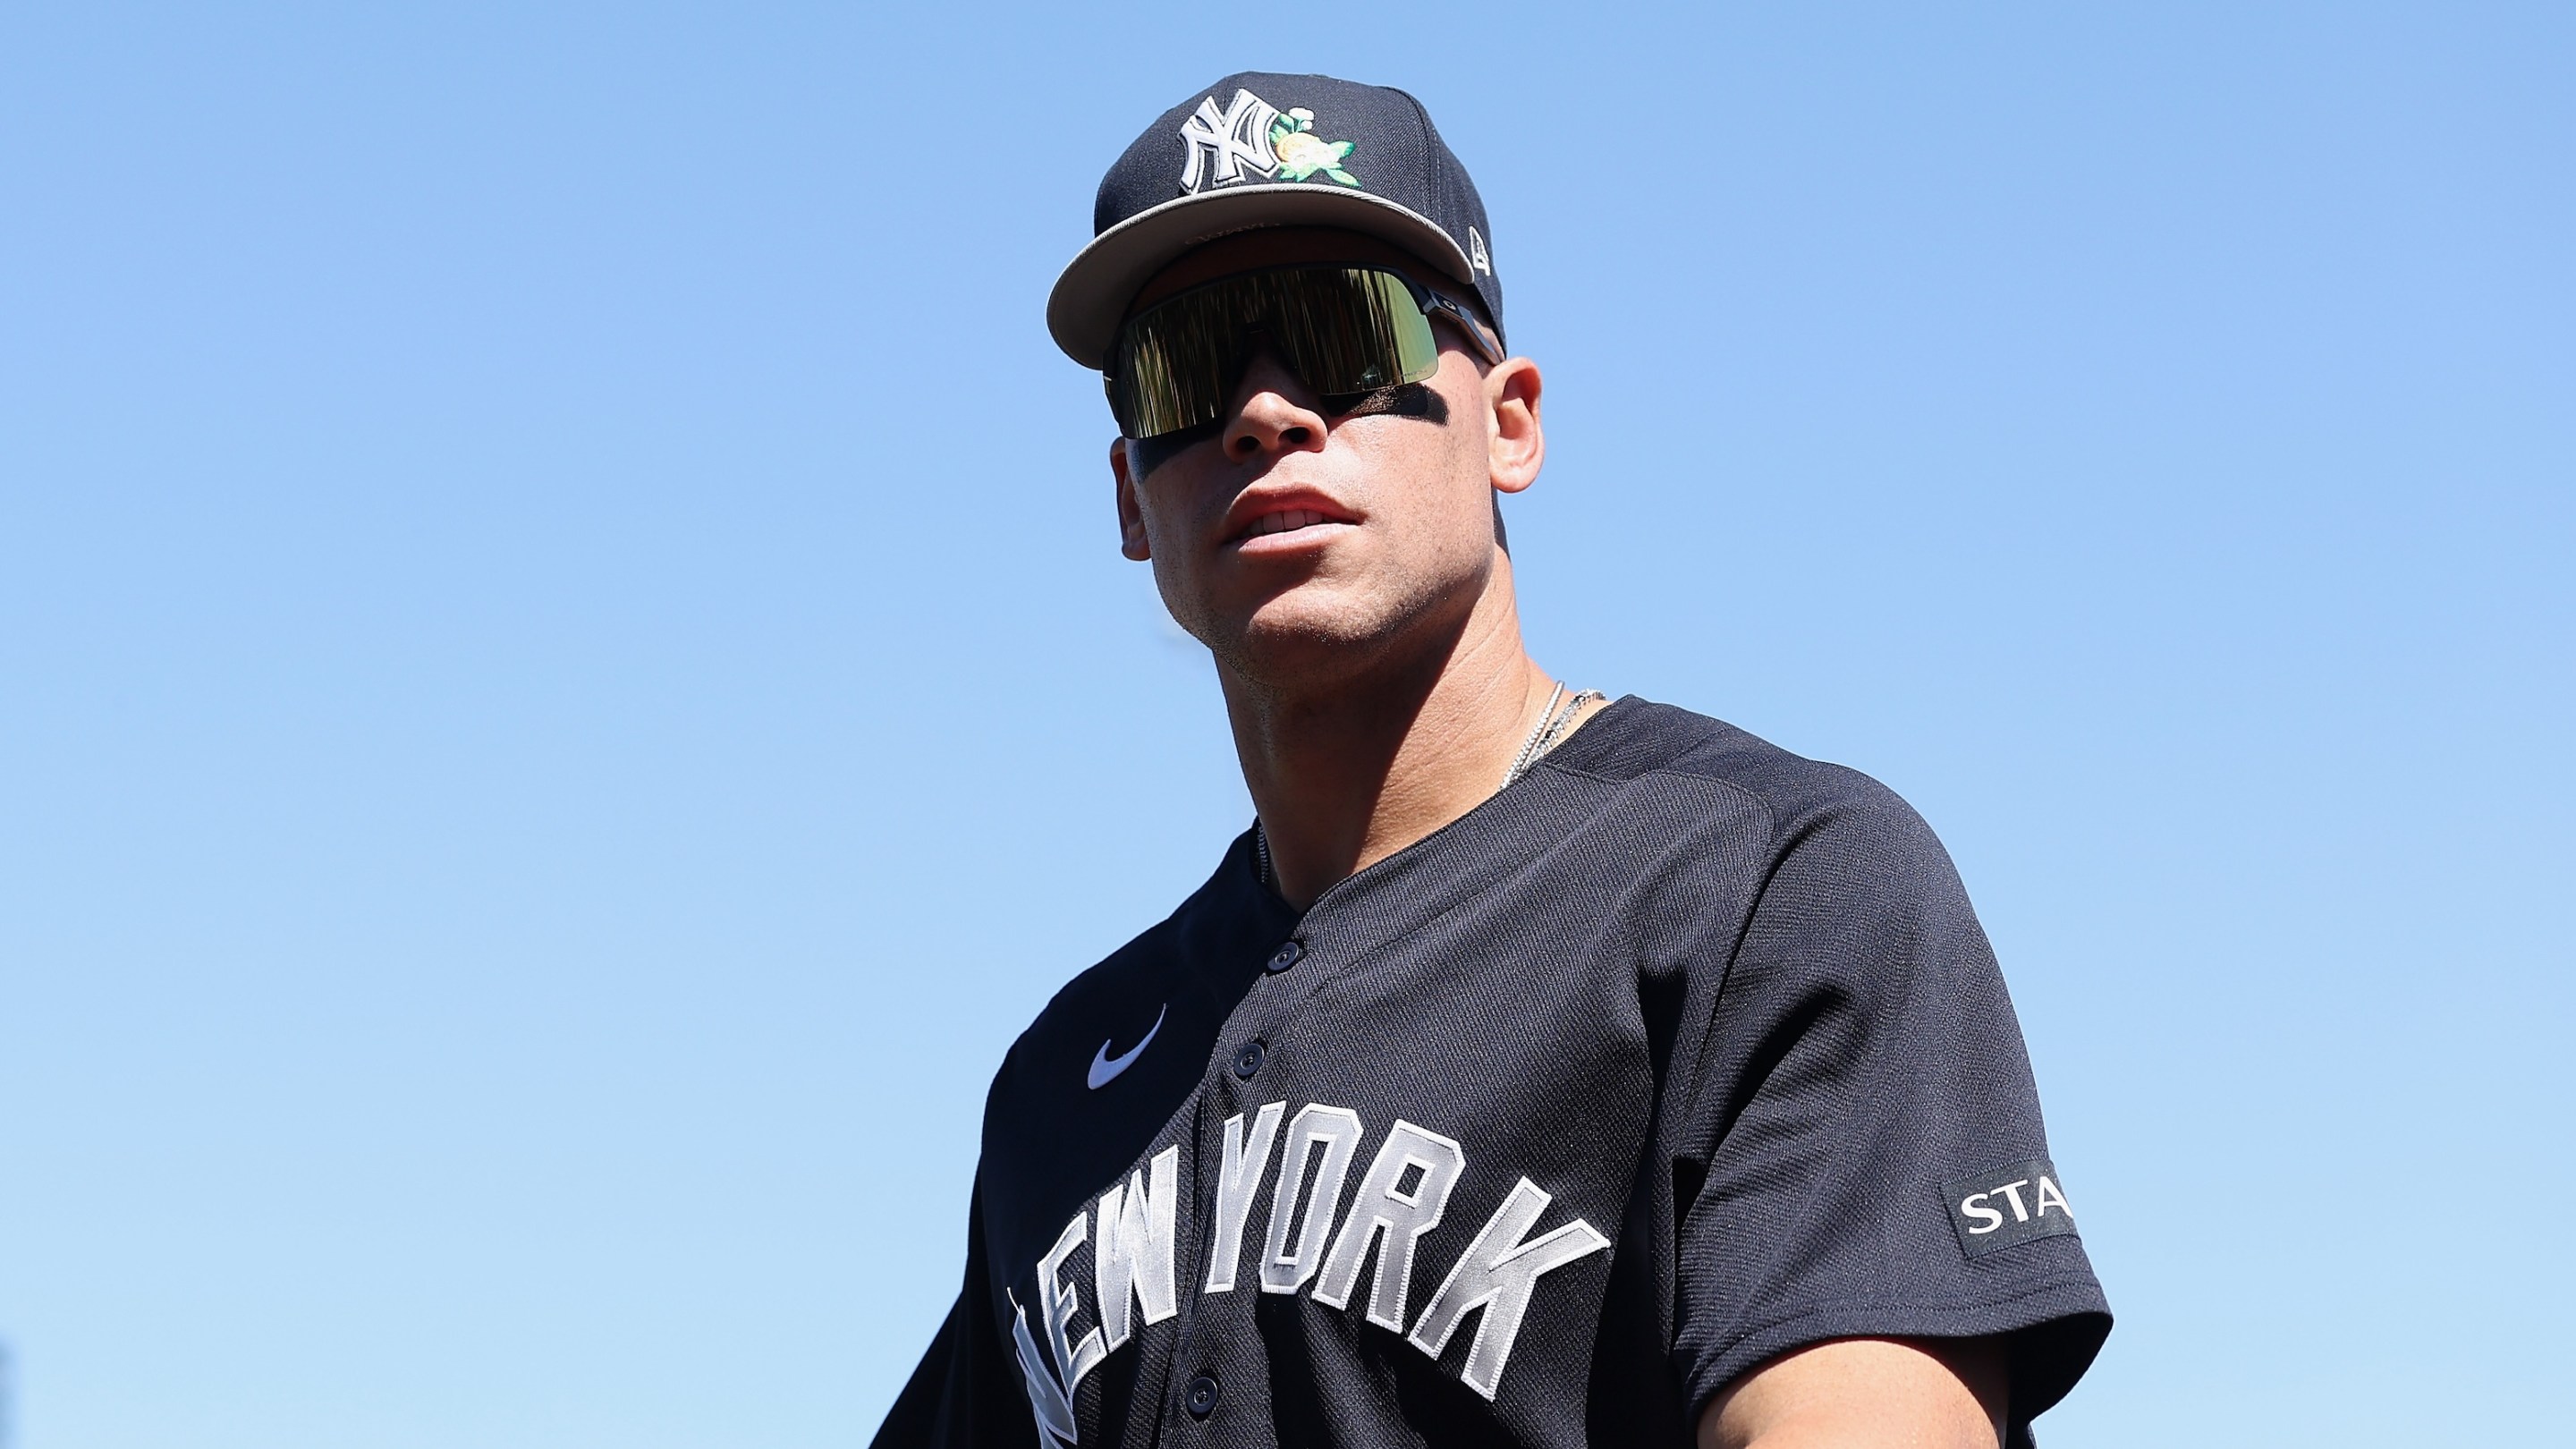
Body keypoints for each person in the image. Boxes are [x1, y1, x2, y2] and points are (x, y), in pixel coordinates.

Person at [873, 72, 2109, 1449]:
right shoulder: (1064, 1080)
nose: (1266, 412)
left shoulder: (1768, 886)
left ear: (1508, 420)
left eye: (1346, 332)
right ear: (1128, 498)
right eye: (1188, 359)